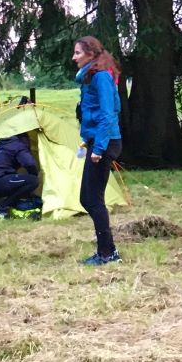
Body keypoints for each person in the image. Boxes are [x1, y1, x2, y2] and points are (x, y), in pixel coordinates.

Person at [72, 34, 123, 266]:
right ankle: (107, 250)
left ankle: (108, 253)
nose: (74, 58)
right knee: (88, 198)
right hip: (97, 141)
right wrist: (88, 140)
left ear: (91, 54)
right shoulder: (92, 76)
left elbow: (109, 112)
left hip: (105, 143)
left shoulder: (101, 76)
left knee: (92, 199)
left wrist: (99, 147)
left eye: (78, 53)